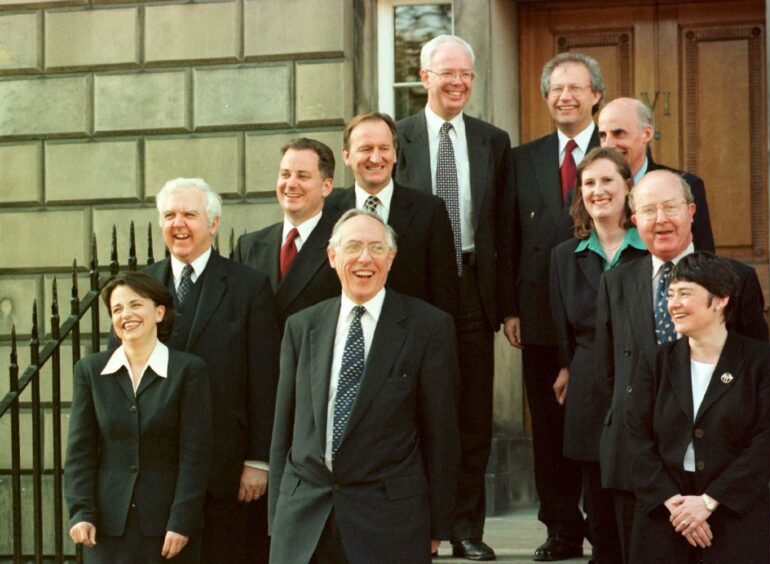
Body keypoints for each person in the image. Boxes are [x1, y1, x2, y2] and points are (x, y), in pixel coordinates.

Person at [267, 209, 460, 564]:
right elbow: (284, 430)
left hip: (389, 523)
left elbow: (442, 434)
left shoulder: (428, 327)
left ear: (391, 258)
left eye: (376, 248)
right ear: (332, 256)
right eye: (353, 247)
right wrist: (277, 518)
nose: (364, 259)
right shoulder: (301, 326)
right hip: (304, 522)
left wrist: (439, 524)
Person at [595, 169, 769, 561]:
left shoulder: (736, 279)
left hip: (720, 474)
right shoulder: (616, 282)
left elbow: (755, 372)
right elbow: (609, 373)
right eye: (648, 210)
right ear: (634, 220)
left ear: (692, 211)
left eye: (671, 207)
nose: (661, 219)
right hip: (642, 470)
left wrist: (710, 499)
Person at [395, 34, 514, 561]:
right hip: (413, 285)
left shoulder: (493, 140)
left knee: (471, 412)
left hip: (472, 287)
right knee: (412, 405)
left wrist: (508, 304)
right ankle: (417, 524)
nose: (459, 82)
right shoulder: (397, 139)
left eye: (467, 74)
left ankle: (466, 526)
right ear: (425, 77)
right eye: (448, 73)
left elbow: (505, 229)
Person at [143, 178, 279, 564]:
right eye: (169, 215)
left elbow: (265, 378)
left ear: (214, 224)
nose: (178, 224)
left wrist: (258, 460)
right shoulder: (141, 286)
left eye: (190, 214)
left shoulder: (248, 287)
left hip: (226, 469)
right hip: (158, 467)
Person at [625, 251, 770, 563]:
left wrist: (709, 503)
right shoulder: (655, 361)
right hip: (665, 512)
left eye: (685, 293)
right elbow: (636, 438)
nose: (673, 304)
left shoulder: (763, 362)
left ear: (721, 299)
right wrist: (676, 505)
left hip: (735, 512)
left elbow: (764, 445)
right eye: (670, 294)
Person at [509, 51, 606, 562]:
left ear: (595, 95)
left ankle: (606, 527)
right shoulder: (523, 157)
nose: (564, 96)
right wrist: (509, 309)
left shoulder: (613, 152)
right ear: (547, 98)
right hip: (541, 315)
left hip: (601, 313)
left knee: (598, 422)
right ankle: (562, 528)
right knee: (549, 429)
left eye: (575, 87)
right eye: (556, 89)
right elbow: (504, 234)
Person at [65, 271, 212, 563]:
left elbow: (195, 453)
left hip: (166, 528)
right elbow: (80, 451)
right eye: (117, 309)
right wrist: (80, 513)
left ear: (159, 312)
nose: (126, 315)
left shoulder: (188, 370)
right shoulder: (90, 371)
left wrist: (181, 520)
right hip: (105, 527)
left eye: (135, 305)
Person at [549, 148, 648, 564]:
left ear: (628, 186)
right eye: (589, 183)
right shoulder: (563, 257)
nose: (598, 190)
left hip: (643, 375)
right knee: (597, 486)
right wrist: (571, 367)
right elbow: (561, 327)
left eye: (607, 180)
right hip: (589, 379)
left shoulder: (649, 249)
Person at [328, 112, 458, 318]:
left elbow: (445, 292)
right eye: (366, 149)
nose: (376, 158)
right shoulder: (327, 210)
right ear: (346, 156)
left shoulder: (430, 211)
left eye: (384, 148)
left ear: (395, 153)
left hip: (412, 340)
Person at [235, 138, 342, 329]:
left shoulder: (342, 245)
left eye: (303, 176)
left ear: (326, 186)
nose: (291, 184)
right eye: (285, 175)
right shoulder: (249, 245)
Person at [598, 97, 715, 251]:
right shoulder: (590, 193)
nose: (608, 144)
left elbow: (704, 258)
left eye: (618, 133)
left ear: (647, 134)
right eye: (602, 136)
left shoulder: (687, 185)